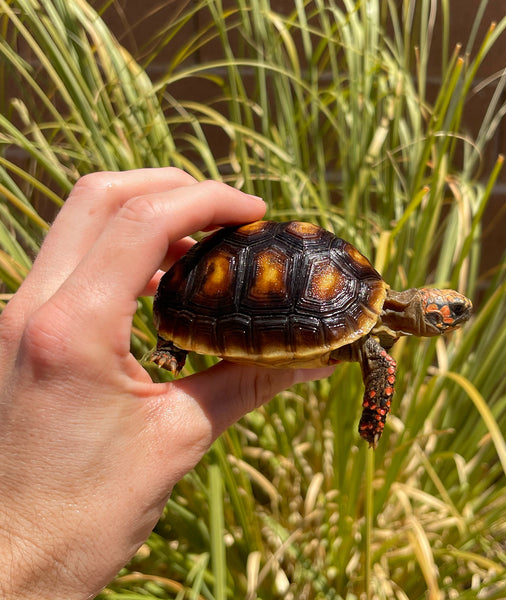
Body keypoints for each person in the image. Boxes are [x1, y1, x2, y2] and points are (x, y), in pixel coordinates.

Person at [0, 168, 334, 599]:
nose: (451, 320)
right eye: (452, 312)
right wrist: (25, 546)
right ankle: (174, 343)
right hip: (228, 302)